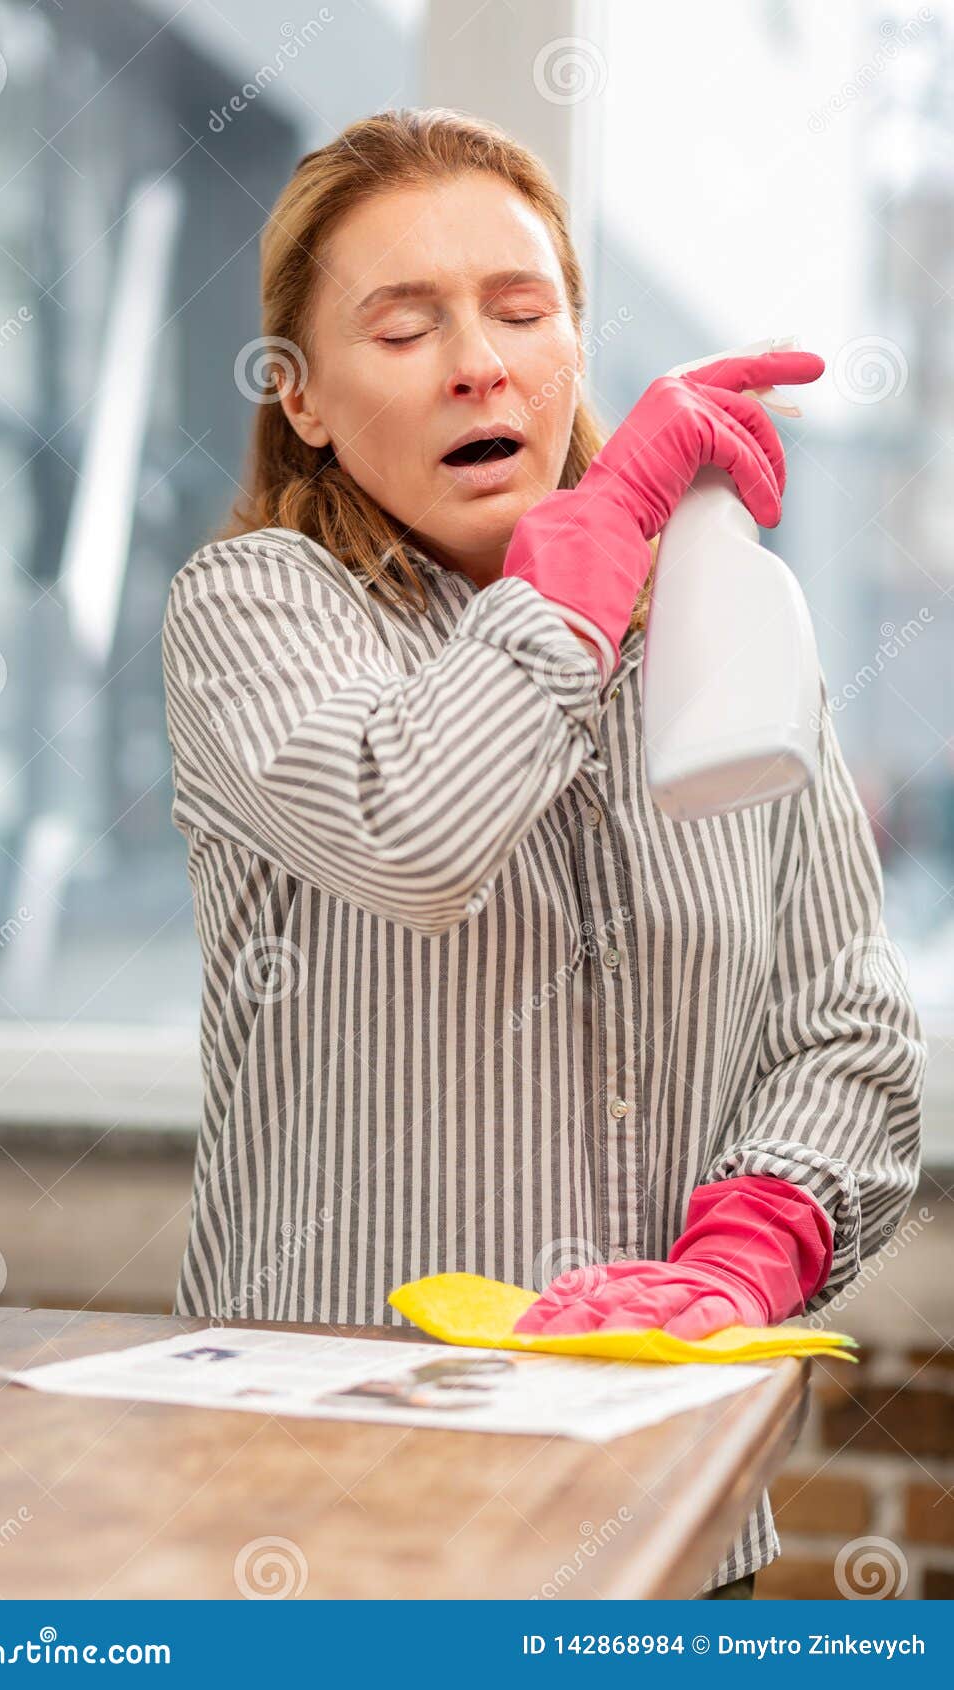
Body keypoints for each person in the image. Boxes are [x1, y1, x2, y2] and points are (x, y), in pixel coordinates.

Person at [160, 107, 926, 1595]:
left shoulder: (733, 630)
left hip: (669, 1504)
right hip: (328, 1517)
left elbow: (846, 1025)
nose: (477, 361)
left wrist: (746, 1249)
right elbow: (414, 831)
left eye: (523, 311)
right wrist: (600, 540)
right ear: (303, 398)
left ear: (576, 345)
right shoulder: (254, 614)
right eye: (404, 326)